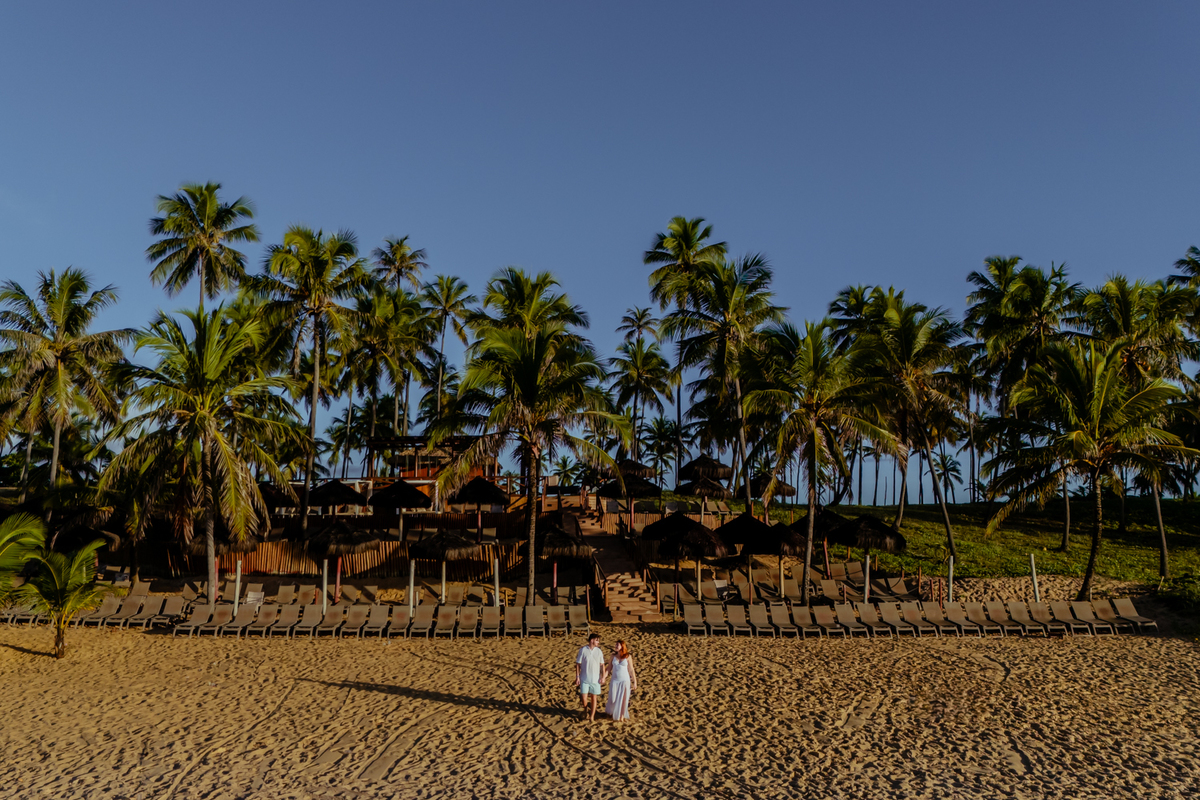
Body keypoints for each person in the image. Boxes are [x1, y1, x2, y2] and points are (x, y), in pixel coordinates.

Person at [574, 632, 606, 721]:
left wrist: (603, 677)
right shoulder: (583, 650)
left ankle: (592, 716)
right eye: (596, 640)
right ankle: (585, 709)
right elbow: (578, 664)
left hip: (595, 679)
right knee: (584, 697)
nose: (598, 642)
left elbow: (602, 665)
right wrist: (577, 677)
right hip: (584, 678)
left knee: (594, 697)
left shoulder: (599, 651)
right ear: (592, 640)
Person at [605, 640, 637, 722]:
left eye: (617, 645)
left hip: (625, 681)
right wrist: (604, 677)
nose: (615, 646)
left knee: (624, 699)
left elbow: (631, 669)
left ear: (622, 646)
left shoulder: (628, 656)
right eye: (615, 644)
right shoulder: (613, 656)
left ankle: (622, 716)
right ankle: (614, 712)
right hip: (615, 680)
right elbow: (609, 668)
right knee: (613, 698)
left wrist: (634, 681)